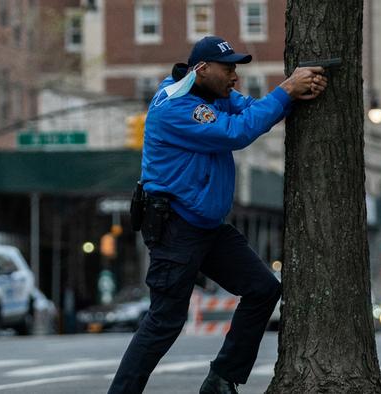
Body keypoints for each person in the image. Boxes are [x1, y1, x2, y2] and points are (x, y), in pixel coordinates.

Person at [108, 36, 328, 394]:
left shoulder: (214, 96)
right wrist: (286, 89)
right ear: (202, 69)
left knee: (262, 289)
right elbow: (236, 132)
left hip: (207, 226)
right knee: (164, 322)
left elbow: (252, 111)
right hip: (176, 227)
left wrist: (293, 96)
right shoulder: (177, 106)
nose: (235, 77)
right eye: (228, 69)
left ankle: (222, 378)